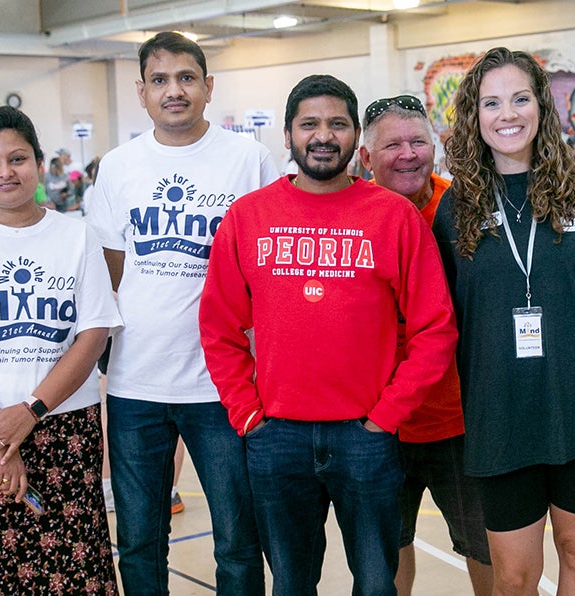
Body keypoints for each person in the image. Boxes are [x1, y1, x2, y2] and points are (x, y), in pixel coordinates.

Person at [199, 74, 457, 595]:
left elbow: (435, 328)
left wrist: (386, 417)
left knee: (376, 583)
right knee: (291, 583)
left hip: (365, 436)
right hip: (277, 437)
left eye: (337, 124)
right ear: (288, 135)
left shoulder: (394, 217)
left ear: (354, 137)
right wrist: (247, 414)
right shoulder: (249, 218)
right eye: (309, 124)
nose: (323, 135)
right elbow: (219, 326)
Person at [84, 31, 275, 595]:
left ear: (208, 87)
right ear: (141, 92)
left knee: (238, 539)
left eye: (187, 78)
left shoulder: (249, 159)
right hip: (136, 384)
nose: (175, 91)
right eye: (161, 81)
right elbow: (111, 270)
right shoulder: (119, 167)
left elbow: (265, 268)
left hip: (222, 386)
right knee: (140, 541)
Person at [434, 47, 575, 594]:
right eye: (491, 102)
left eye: (520, 98)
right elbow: (439, 322)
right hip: (501, 414)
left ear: (542, 106)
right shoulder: (456, 209)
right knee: (516, 576)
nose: (508, 114)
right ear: (474, 117)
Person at [0, 106, 119, 594]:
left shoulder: (77, 237)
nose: (5, 172)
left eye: (18, 158)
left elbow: (92, 335)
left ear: (37, 162)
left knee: (73, 569)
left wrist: (31, 411)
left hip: (63, 429)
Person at [357, 93, 493, 596]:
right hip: (375, 421)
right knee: (386, 552)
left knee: (486, 548)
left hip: (460, 419)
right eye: (393, 145)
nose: (409, 153)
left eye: (419, 141)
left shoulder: (465, 209)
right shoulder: (348, 214)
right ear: (366, 157)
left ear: (435, 148)